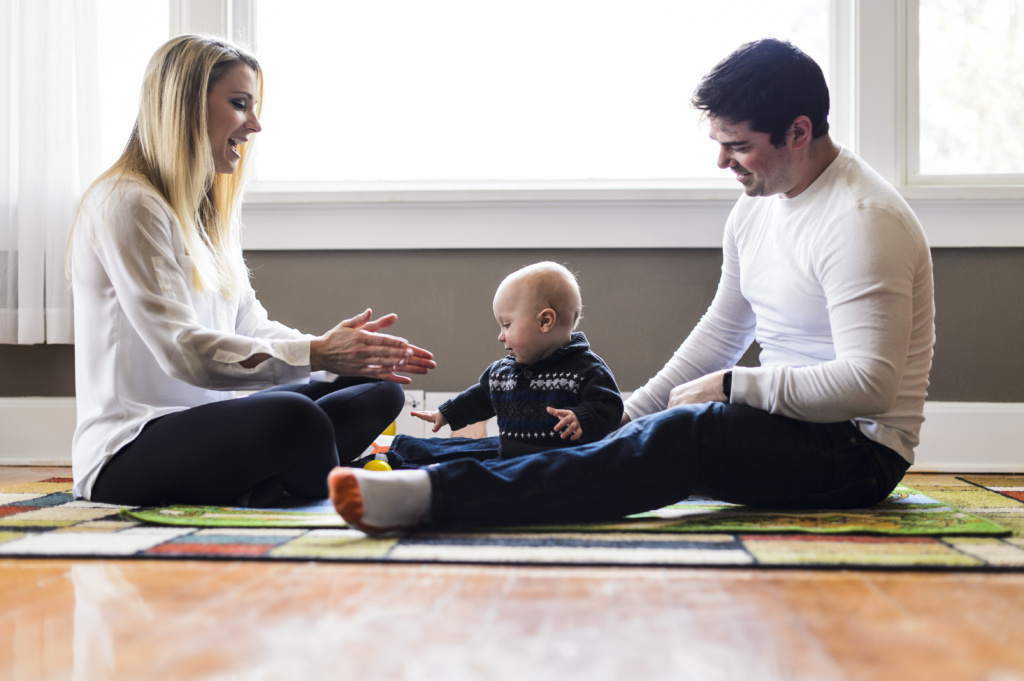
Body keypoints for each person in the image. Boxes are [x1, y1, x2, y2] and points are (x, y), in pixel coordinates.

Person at [327, 38, 935, 533]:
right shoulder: (756, 209)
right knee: (619, 434)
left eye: (739, 146)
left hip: (858, 453)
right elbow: (721, 332)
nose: (723, 162)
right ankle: (407, 467)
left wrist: (731, 387)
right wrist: (627, 414)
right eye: (719, 143)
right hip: (784, 425)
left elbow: (869, 386)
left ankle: (438, 499)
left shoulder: (864, 222)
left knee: (688, 433)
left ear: (798, 132)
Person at [68, 35, 435, 507]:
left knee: (378, 390)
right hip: (129, 449)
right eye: (240, 105)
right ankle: (303, 480)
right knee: (293, 419)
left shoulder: (204, 214)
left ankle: (284, 480)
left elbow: (250, 326)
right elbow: (184, 353)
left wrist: (341, 354)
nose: (255, 125)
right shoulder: (127, 202)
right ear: (184, 106)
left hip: (216, 425)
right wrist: (317, 353)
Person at [395, 261, 622, 464]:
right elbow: (480, 398)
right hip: (510, 462)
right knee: (473, 472)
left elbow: (610, 406)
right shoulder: (503, 373)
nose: (501, 336)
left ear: (545, 321)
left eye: (506, 324)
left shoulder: (586, 369)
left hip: (563, 466)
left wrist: (582, 418)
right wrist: (444, 415)